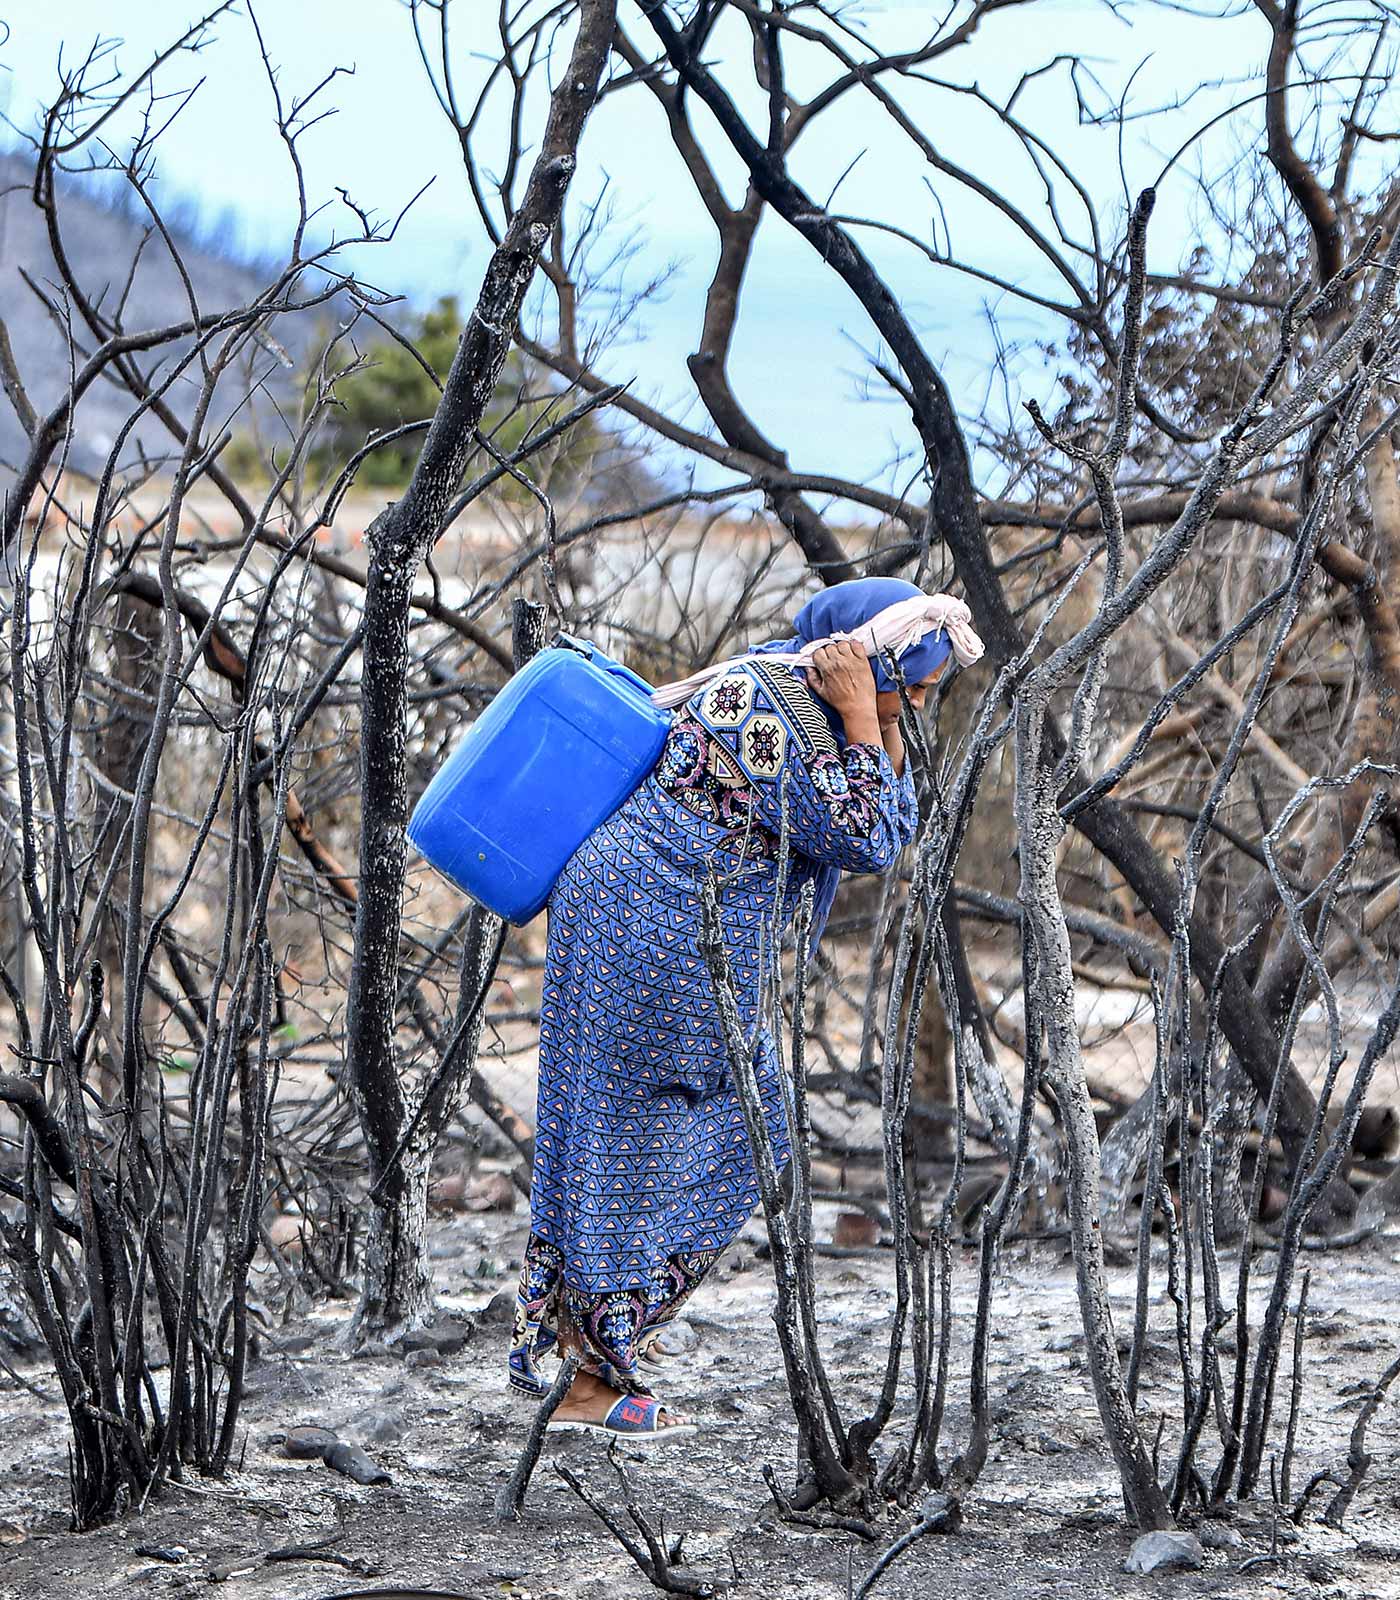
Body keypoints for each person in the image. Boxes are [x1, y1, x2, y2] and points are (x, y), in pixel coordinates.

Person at [506, 577, 984, 1441]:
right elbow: (870, 835)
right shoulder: (763, 702)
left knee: (661, 1134)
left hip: (666, 929)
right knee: (652, 1137)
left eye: (924, 691)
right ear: (859, 655)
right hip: (645, 928)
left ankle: (595, 1351)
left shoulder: (821, 707)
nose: (916, 702)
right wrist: (864, 719)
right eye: (907, 682)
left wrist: (871, 719)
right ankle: (590, 1367)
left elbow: (888, 816)